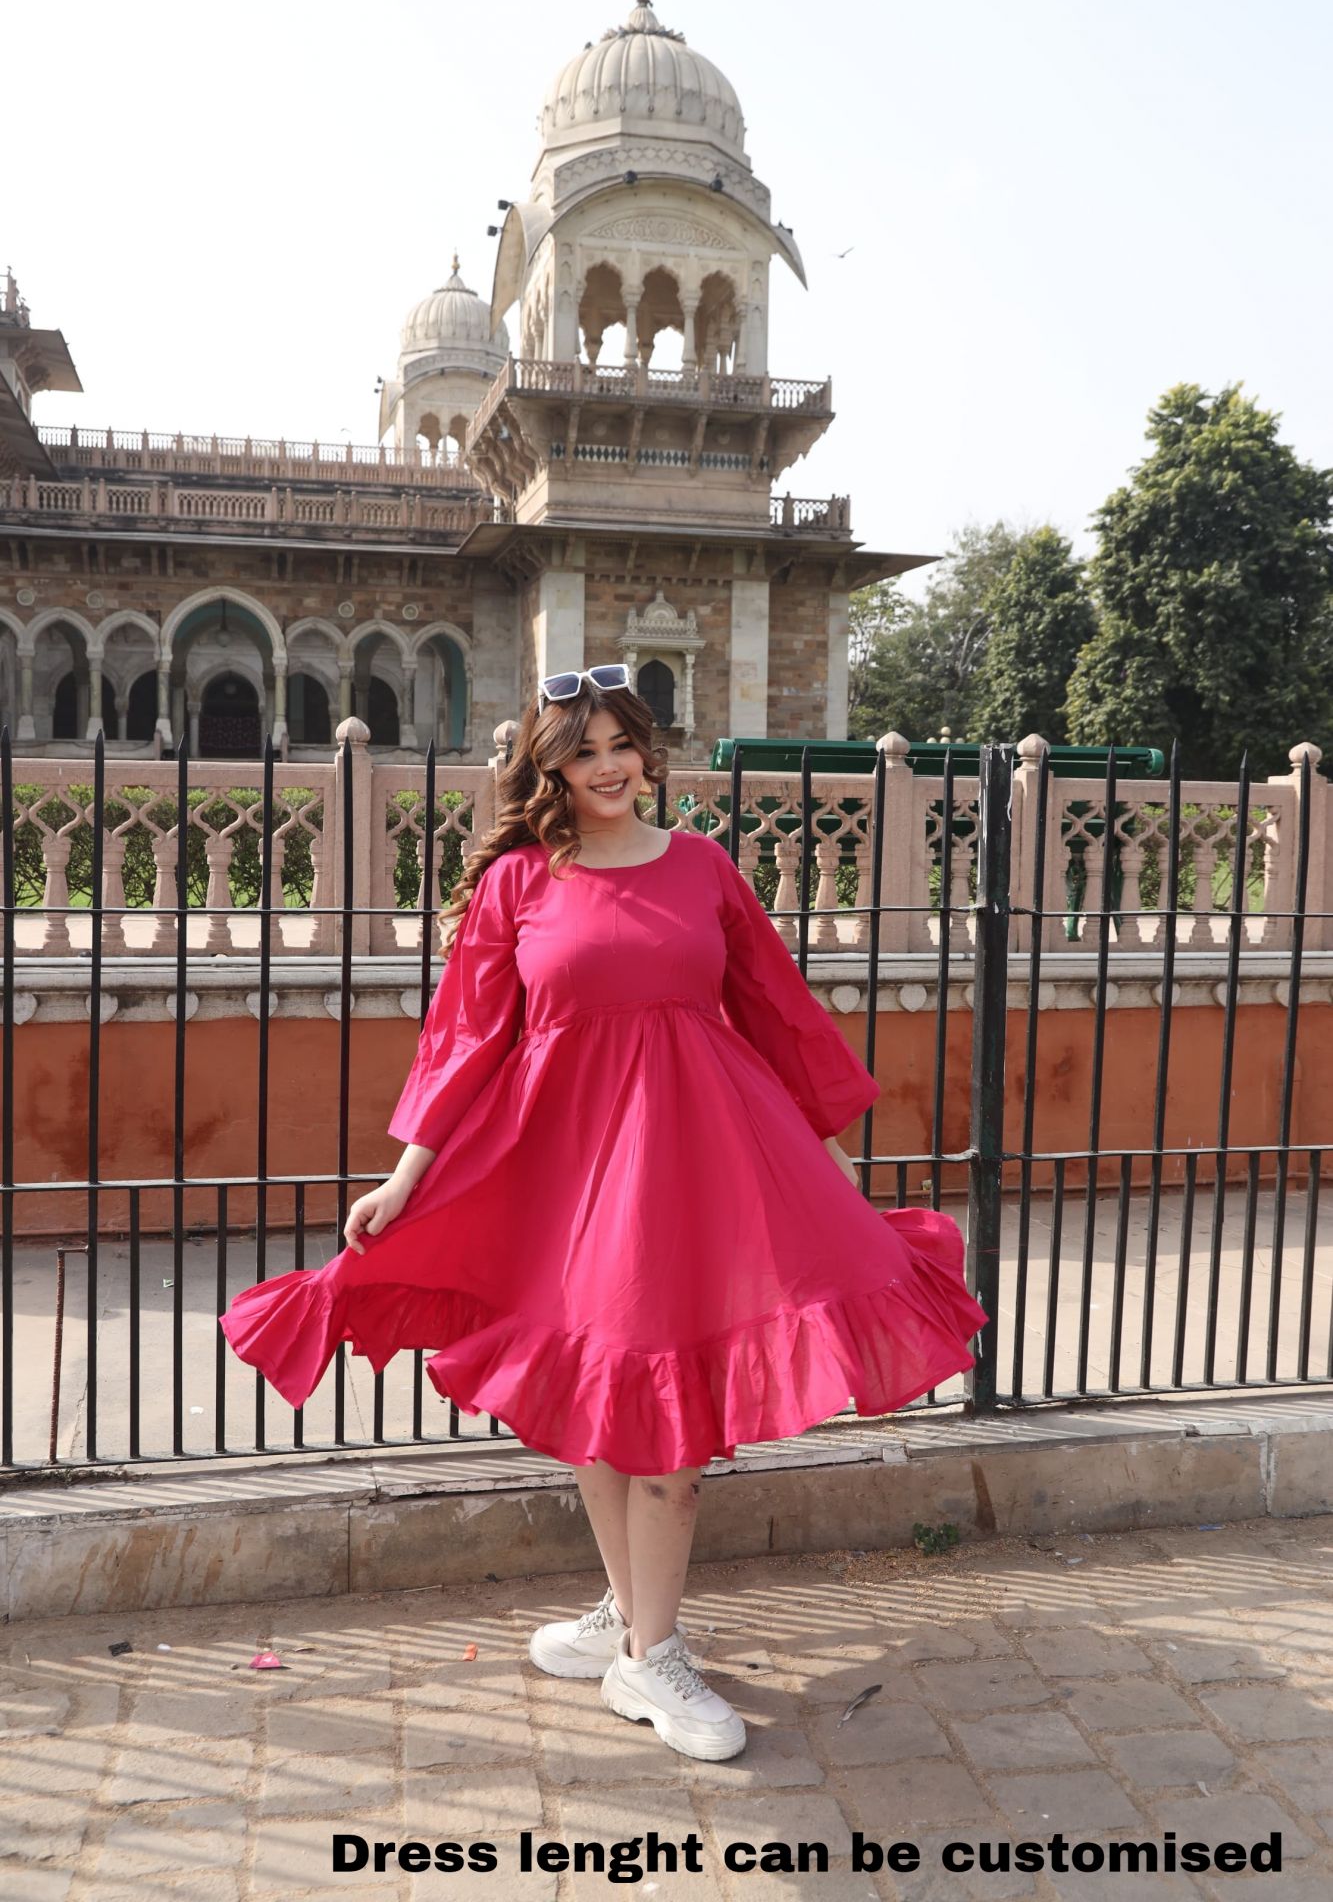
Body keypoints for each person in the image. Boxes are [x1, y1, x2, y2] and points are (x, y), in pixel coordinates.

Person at [220, 667, 990, 1763]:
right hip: (567, 1175)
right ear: (553, 769)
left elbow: (775, 1005)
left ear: (649, 751)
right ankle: (638, 1630)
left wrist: (825, 1158)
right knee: (597, 1399)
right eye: (585, 751)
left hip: (704, 1159)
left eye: (623, 743)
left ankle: (647, 1645)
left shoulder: (702, 865)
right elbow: (466, 1036)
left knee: (667, 1416)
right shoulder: (519, 882)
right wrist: (405, 1173)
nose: (610, 766)